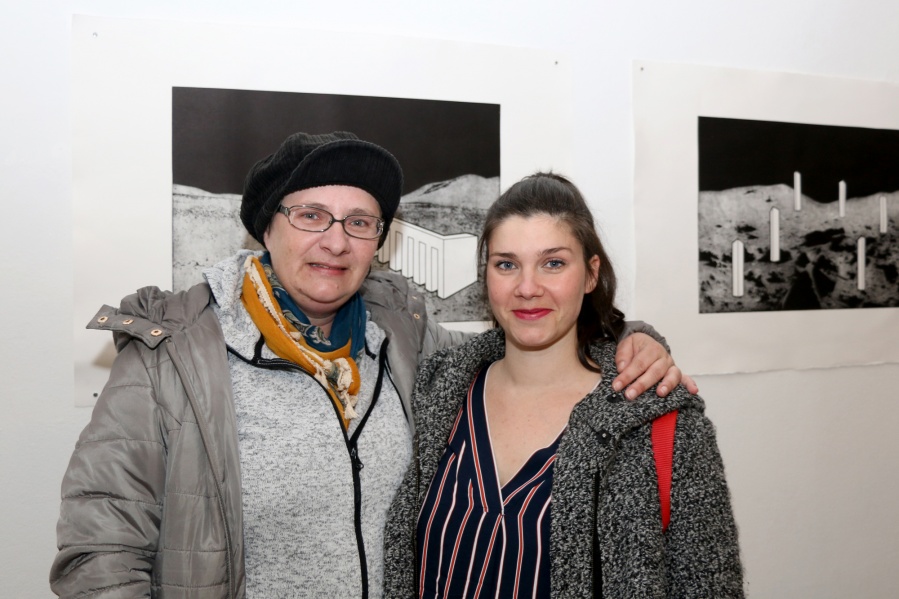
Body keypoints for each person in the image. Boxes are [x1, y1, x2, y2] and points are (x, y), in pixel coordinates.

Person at [51, 133, 691, 598]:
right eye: (311, 216)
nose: (336, 241)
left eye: (359, 222)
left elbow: (529, 342)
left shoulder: (403, 335)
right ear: (265, 230)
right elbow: (99, 555)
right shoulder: (171, 359)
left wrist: (630, 339)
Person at [383, 173, 743, 598]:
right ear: (487, 276)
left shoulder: (663, 423)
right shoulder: (438, 393)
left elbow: (708, 584)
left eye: (553, 263)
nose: (527, 288)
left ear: (591, 275)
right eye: (506, 264)